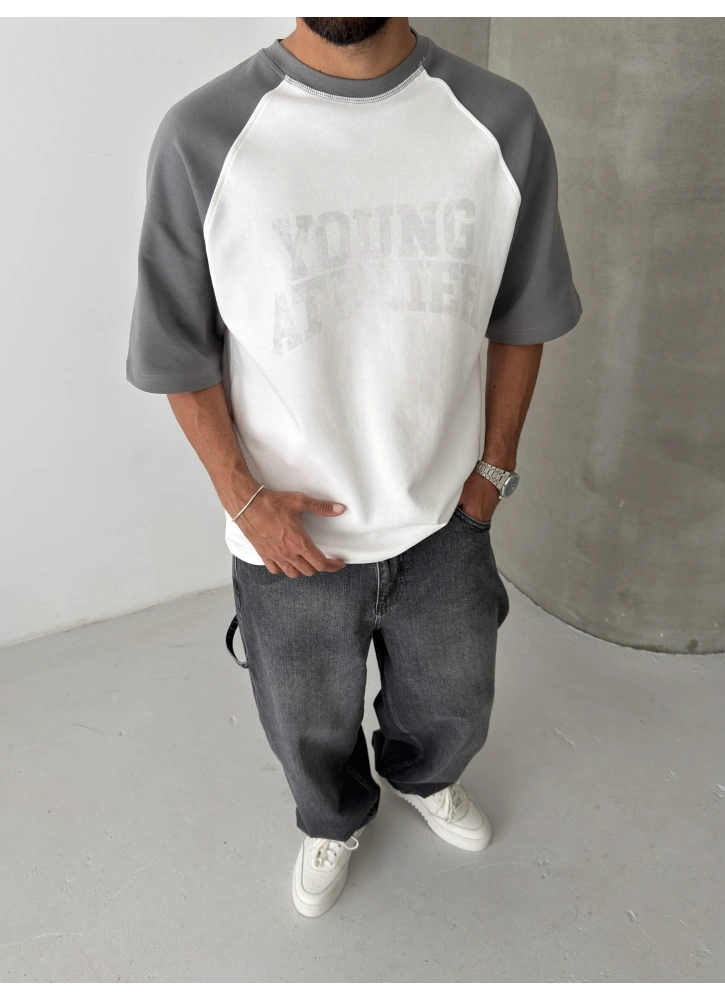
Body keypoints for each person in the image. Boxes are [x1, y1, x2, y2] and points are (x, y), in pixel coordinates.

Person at [126, 15, 582, 918]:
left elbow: (523, 314)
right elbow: (177, 351)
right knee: (304, 724)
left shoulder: (496, 118)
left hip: (446, 519)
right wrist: (246, 503)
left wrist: (492, 474)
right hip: (290, 539)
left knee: (454, 703)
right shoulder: (203, 135)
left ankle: (424, 778)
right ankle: (330, 819)